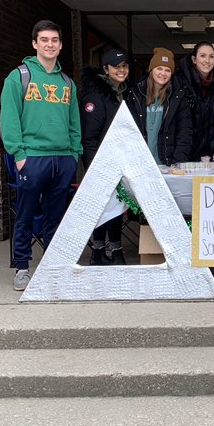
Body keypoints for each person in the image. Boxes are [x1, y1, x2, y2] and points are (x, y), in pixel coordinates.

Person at [0, 19, 82, 291]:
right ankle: (22, 268)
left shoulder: (67, 82)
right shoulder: (19, 76)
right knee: (25, 214)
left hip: (62, 159)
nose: (50, 45)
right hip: (32, 157)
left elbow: (74, 124)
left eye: (55, 41)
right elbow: (9, 119)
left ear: (60, 46)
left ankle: (53, 266)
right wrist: (19, 154)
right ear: (35, 44)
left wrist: (74, 154)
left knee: (56, 217)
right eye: (44, 40)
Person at [80, 48, 131, 265]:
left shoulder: (123, 93)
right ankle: (99, 253)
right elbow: (89, 138)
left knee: (116, 206)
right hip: (100, 162)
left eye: (125, 66)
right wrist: (95, 168)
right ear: (105, 69)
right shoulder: (96, 96)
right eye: (116, 67)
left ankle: (113, 251)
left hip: (120, 160)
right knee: (103, 206)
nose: (121, 70)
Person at [126, 47, 193, 165]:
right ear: (151, 70)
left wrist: (178, 163)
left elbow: (184, 133)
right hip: (139, 164)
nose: (163, 73)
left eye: (167, 70)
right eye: (159, 68)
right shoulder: (136, 95)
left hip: (166, 164)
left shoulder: (178, 97)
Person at [175, 39, 214, 161]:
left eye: (211, 57)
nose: (207, 61)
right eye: (202, 56)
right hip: (187, 149)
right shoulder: (180, 82)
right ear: (194, 59)